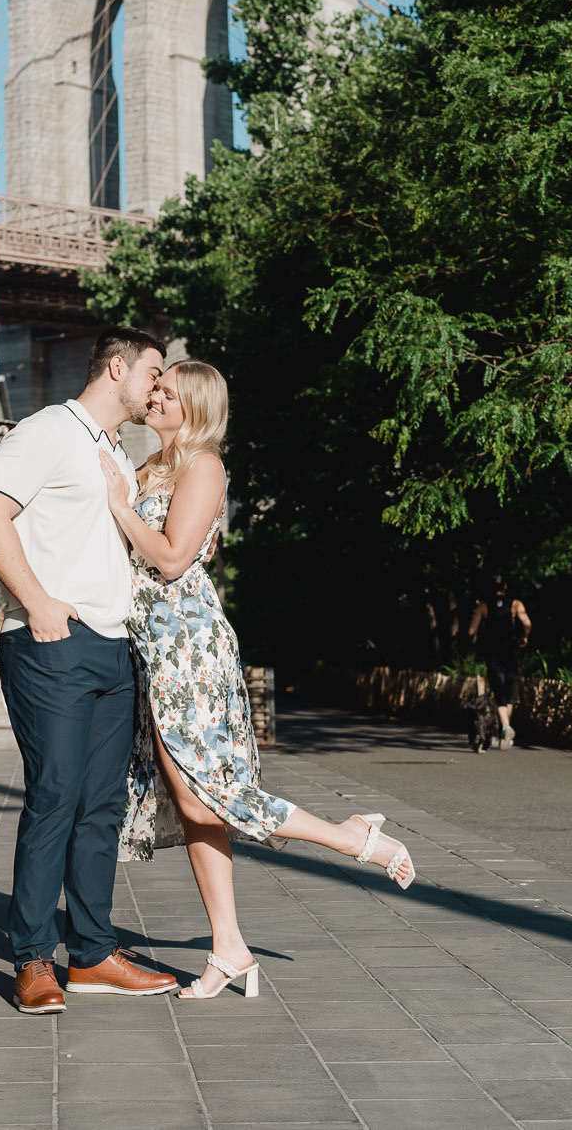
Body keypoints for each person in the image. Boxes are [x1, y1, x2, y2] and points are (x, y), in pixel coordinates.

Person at [100, 360, 417, 1002]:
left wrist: (117, 506)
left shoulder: (204, 467)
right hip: (152, 650)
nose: (155, 395)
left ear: (195, 405)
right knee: (194, 806)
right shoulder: (147, 471)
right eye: (154, 388)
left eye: (167, 391)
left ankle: (352, 837)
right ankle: (229, 948)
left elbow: (169, 558)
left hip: (191, 650)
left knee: (210, 794)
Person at [0, 327, 181, 1015]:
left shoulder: (113, 449)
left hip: (111, 649)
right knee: (56, 795)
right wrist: (36, 601)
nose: (157, 384)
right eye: (151, 370)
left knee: (101, 808)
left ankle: (90, 953)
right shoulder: (47, 430)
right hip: (52, 640)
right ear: (116, 366)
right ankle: (33, 956)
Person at [467, 572, 531, 750]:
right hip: (511, 651)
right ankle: (506, 737)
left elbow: (471, 631)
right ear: (505, 586)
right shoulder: (516, 604)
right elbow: (527, 623)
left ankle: (506, 728)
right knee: (507, 692)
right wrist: (524, 637)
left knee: (499, 691)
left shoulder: (484, 606)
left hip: (493, 653)